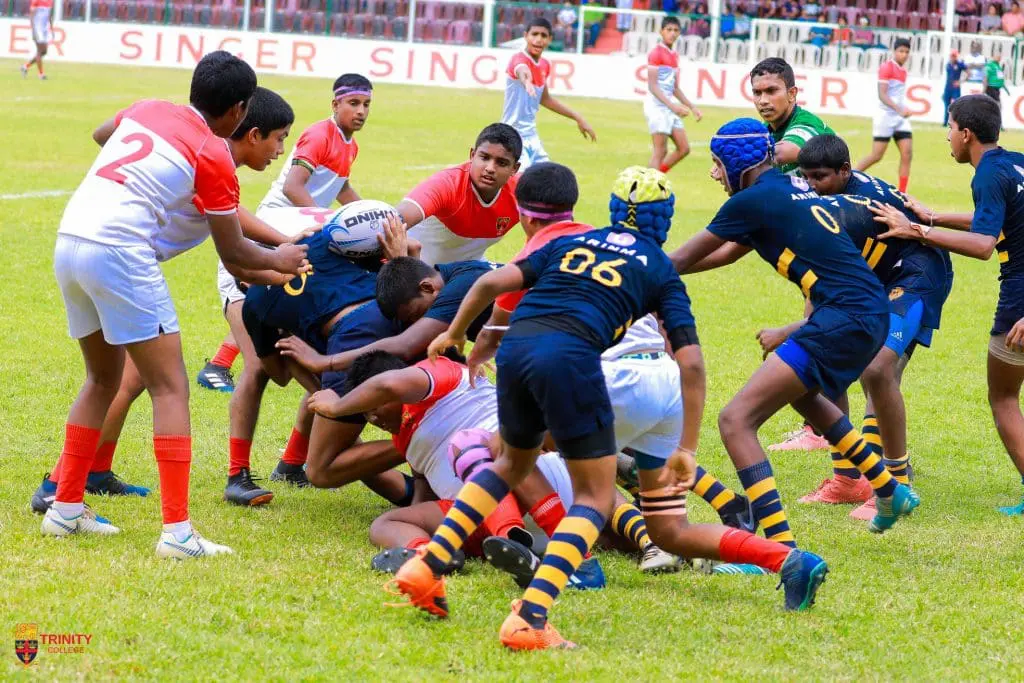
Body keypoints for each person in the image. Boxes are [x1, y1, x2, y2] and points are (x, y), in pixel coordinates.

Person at [379, 165, 828, 651]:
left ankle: (432, 570)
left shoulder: (571, 241)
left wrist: (460, 335)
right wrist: (688, 448)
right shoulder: (660, 267)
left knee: (507, 460)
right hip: (652, 383)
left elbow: (489, 286)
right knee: (634, 512)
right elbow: (692, 364)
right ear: (666, 223)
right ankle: (533, 614)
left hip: (539, 356)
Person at [45, 52, 309, 558]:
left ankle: (66, 508)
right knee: (170, 387)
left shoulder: (149, 108)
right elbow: (235, 255)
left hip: (71, 237)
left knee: (100, 379)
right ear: (239, 110)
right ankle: (177, 535)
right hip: (121, 250)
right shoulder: (212, 153)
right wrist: (285, 257)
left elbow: (104, 135)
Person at [669, 118, 920, 544]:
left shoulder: (749, 202)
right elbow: (723, 255)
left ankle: (779, 549)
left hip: (843, 315)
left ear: (736, 161)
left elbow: (679, 258)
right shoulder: (789, 188)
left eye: (716, 163)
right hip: (864, 311)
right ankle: (888, 488)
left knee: (735, 421)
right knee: (804, 395)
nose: (713, 173)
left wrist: (627, 273)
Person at [869, 95, 1024, 516]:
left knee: (1004, 397)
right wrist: (932, 217)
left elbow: (983, 244)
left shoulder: (987, 175)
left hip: (1019, 297)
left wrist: (915, 231)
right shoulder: (1014, 163)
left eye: (950, 127)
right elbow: (991, 220)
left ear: (967, 133)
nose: (948, 137)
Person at [792, 135, 952, 519]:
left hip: (917, 274)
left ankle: (896, 482)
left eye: (821, 177)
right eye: (807, 177)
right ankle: (848, 480)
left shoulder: (851, 211)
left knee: (878, 369)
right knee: (825, 356)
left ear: (845, 171)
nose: (813, 185)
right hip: (874, 277)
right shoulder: (824, 203)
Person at [197, 73, 373, 391]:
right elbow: (293, 187)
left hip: (299, 228)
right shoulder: (320, 135)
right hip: (280, 223)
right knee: (269, 317)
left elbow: (340, 186)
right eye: (353, 103)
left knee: (272, 305)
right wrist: (328, 224)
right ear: (335, 103)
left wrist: (369, 218)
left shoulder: (351, 145)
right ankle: (221, 367)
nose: (360, 111)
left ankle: (221, 364)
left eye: (366, 104)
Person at [396, 123, 522, 266]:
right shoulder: (447, 184)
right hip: (422, 276)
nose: (490, 168)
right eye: (484, 157)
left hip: (467, 271)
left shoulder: (523, 192)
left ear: (515, 168)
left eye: (502, 163)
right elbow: (391, 222)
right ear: (472, 155)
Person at [501, 18, 596, 170]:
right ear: (526, 36)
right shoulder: (518, 59)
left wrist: (578, 117)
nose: (538, 39)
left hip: (531, 135)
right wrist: (526, 81)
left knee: (548, 179)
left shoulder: (544, 65)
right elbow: (522, 70)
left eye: (543, 36)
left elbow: (546, 99)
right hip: (513, 135)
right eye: (534, 34)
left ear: (550, 39)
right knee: (519, 182)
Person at [750, 58, 835, 177]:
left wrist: (732, 158)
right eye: (757, 93)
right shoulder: (765, 130)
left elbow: (780, 154)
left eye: (771, 91)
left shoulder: (807, 123)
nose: (763, 101)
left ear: (792, 94)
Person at [645, 17, 703, 174]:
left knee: (684, 148)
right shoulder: (656, 53)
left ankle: (656, 177)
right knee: (660, 151)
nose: (672, 33)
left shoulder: (674, 55)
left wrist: (692, 107)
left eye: (675, 30)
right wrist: (674, 107)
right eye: (668, 30)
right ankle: (646, 188)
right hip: (657, 105)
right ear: (661, 31)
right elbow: (652, 86)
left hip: (669, 104)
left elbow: (675, 88)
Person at [856, 38, 913, 193]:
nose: (904, 54)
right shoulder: (886, 68)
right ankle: (849, 176)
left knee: (907, 153)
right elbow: (882, 94)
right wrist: (899, 109)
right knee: (876, 155)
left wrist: (903, 108)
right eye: (901, 51)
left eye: (907, 52)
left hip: (899, 118)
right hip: (885, 117)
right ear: (894, 51)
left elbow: (897, 95)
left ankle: (902, 193)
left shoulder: (903, 71)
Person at [20, 0, 53, 80]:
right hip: (37, 28)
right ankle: (41, 74)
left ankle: (25, 66)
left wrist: (51, 27)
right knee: (40, 51)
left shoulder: (50, 1)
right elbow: (32, 13)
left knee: (44, 52)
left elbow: (49, 15)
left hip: (45, 28)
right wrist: (33, 28)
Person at [943, 50, 967, 127]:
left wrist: (960, 82)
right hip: (947, 87)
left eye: (954, 56)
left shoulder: (960, 64)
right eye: (952, 56)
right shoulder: (948, 64)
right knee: (946, 105)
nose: (953, 57)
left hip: (955, 88)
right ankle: (945, 122)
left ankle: (956, 122)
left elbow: (968, 73)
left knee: (956, 105)